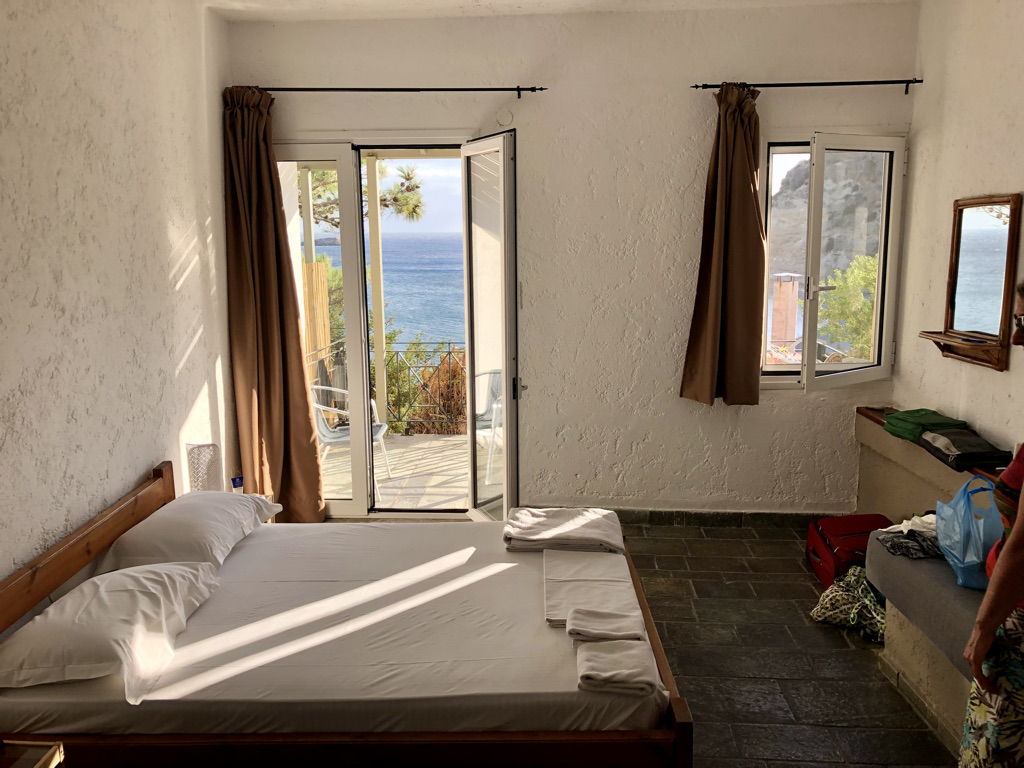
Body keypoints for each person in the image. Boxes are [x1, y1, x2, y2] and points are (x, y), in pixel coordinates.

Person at [960, 281, 1024, 767]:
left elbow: (1023, 545)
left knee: (996, 748)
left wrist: (983, 627)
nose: (1016, 337)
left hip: (1017, 616)